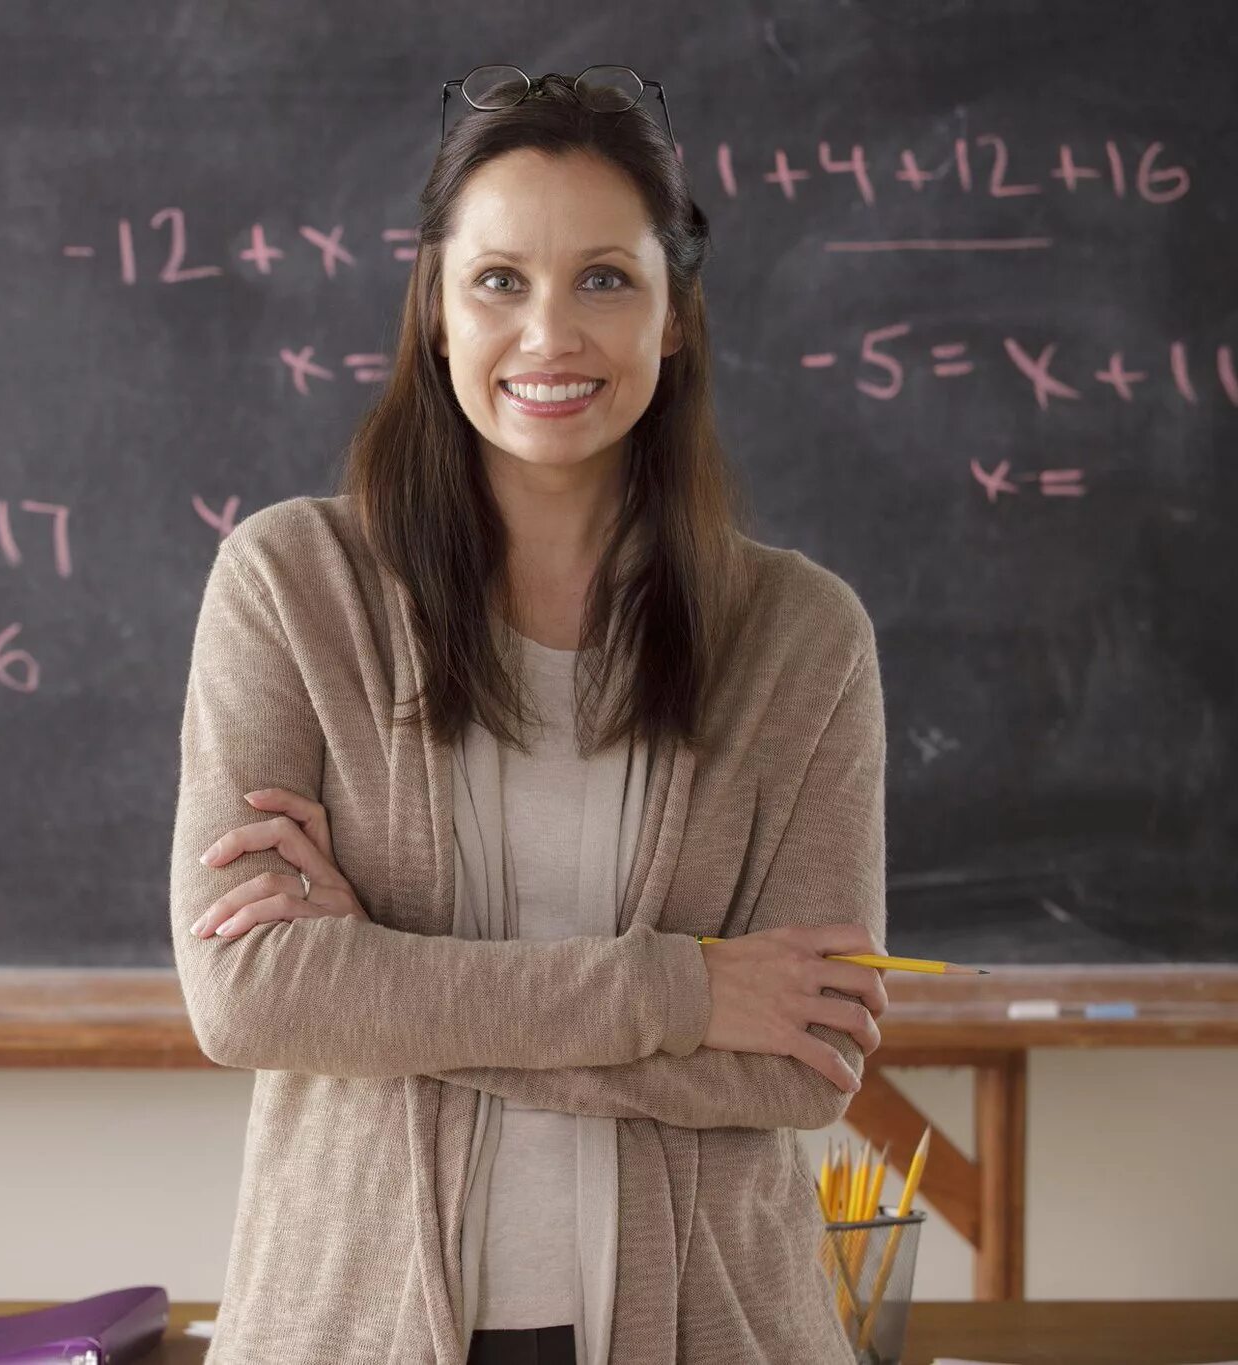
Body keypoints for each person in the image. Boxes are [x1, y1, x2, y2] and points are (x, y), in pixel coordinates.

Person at [169, 64, 891, 1365]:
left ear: (673, 318)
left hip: (720, 1329)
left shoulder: (802, 636)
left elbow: (799, 1060)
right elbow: (255, 995)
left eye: (605, 278)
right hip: (349, 1329)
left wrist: (389, 994)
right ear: (438, 313)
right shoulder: (292, 587)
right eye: (500, 280)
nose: (549, 334)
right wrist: (687, 988)